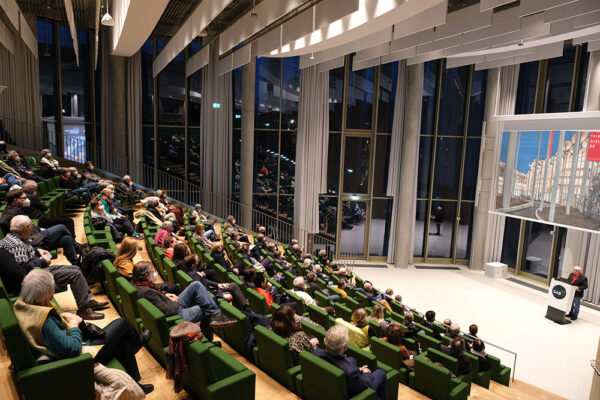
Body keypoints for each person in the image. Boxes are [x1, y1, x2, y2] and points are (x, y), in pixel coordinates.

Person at [13, 269, 154, 394]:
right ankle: (137, 342)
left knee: (123, 340)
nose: (53, 292)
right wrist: (74, 325)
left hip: (66, 351)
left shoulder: (23, 306)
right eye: (52, 289)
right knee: (122, 325)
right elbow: (73, 348)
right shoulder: (46, 322)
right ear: (46, 294)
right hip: (79, 360)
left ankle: (135, 382)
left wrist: (64, 318)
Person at [0, 215, 105, 320]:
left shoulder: (11, 237)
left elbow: (26, 252)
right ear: (25, 229)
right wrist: (43, 261)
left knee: (76, 268)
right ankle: (84, 310)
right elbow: (24, 271)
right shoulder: (17, 246)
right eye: (31, 226)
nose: (32, 228)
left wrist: (37, 250)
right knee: (75, 274)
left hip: (36, 271)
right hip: (35, 279)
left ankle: (87, 301)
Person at [131, 261, 237, 341]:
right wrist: (175, 301)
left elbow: (156, 297)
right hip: (176, 313)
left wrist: (166, 295)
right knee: (207, 307)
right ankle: (211, 332)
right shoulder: (147, 292)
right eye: (152, 271)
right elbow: (168, 311)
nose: (154, 273)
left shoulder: (136, 283)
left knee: (196, 285)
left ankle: (215, 315)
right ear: (146, 275)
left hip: (169, 303)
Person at [0, 190, 83, 265]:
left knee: (66, 239)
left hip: (37, 237)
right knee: (61, 227)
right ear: (15, 200)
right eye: (24, 198)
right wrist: (18, 232)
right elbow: (3, 222)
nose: (26, 200)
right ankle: (78, 248)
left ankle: (77, 264)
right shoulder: (11, 210)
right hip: (33, 242)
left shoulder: (15, 208)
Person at [313, 325, 388, 400]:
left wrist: (358, 369)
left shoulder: (315, 353)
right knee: (381, 373)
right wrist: (365, 373)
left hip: (328, 386)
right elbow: (364, 384)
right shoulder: (350, 372)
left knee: (352, 360)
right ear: (346, 347)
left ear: (324, 340)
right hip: (352, 393)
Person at [180, 254, 247, 310]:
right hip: (211, 297)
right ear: (193, 265)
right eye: (197, 261)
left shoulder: (189, 272)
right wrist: (221, 295)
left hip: (211, 292)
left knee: (233, 285)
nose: (199, 262)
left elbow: (204, 280)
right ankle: (245, 310)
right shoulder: (195, 277)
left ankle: (241, 310)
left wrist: (218, 284)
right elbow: (205, 292)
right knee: (232, 290)